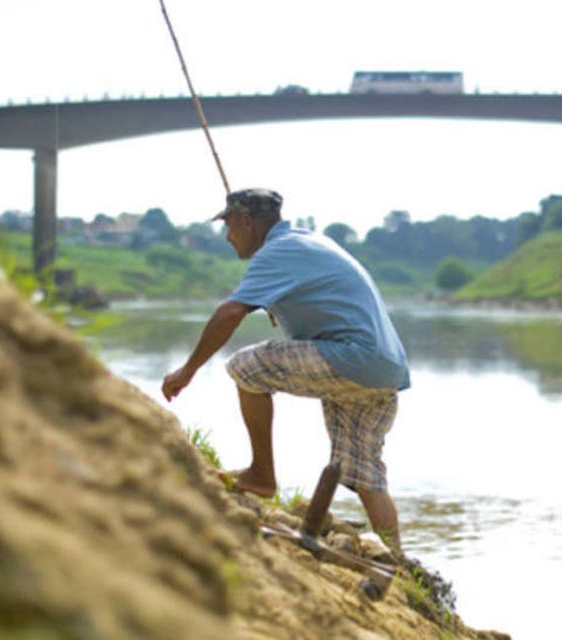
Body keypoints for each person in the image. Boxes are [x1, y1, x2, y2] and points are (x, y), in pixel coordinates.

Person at [161, 188, 410, 552]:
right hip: (385, 369)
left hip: (352, 355)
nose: (228, 237)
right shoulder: (306, 242)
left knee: (246, 368)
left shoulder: (276, 253)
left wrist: (187, 370)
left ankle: (262, 475)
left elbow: (230, 313)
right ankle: (397, 559)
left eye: (229, 226)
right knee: (364, 472)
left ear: (247, 222)